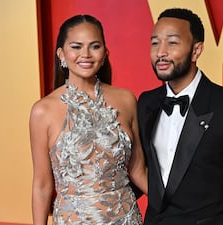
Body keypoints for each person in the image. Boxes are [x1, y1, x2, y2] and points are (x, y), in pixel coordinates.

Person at [137, 8, 223, 225]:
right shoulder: (145, 103)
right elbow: (143, 173)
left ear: (196, 50)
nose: (161, 52)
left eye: (172, 43)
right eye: (155, 42)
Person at [29, 14, 147, 225]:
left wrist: (180, 204)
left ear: (105, 52)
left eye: (94, 46)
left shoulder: (127, 99)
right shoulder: (43, 111)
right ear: (61, 54)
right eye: (76, 46)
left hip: (126, 218)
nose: (85, 54)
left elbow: (137, 170)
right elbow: (42, 185)